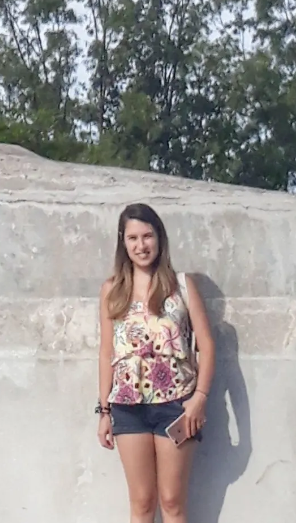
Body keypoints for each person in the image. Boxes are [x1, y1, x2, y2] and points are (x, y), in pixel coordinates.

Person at [97, 203, 215, 523]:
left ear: (159, 238)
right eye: (133, 238)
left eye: (147, 236)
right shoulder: (112, 290)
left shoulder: (181, 285)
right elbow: (107, 352)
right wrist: (104, 411)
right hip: (127, 406)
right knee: (142, 503)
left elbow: (206, 345)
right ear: (123, 242)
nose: (141, 245)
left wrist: (199, 400)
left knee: (172, 502)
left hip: (176, 405)